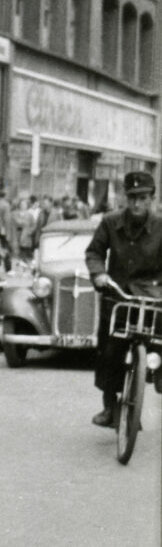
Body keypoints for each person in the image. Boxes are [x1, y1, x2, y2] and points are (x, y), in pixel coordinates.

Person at [85, 171, 162, 427]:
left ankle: (159, 374)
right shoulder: (110, 222)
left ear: (152, 198)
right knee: (109, 352)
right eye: (132, 198)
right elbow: (94, 252)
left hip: (150, 297)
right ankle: (109, 407)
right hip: (116, 295)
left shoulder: (161, 227)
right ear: (125, 198)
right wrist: (99, 274)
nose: (137, 204)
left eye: (142, 198)